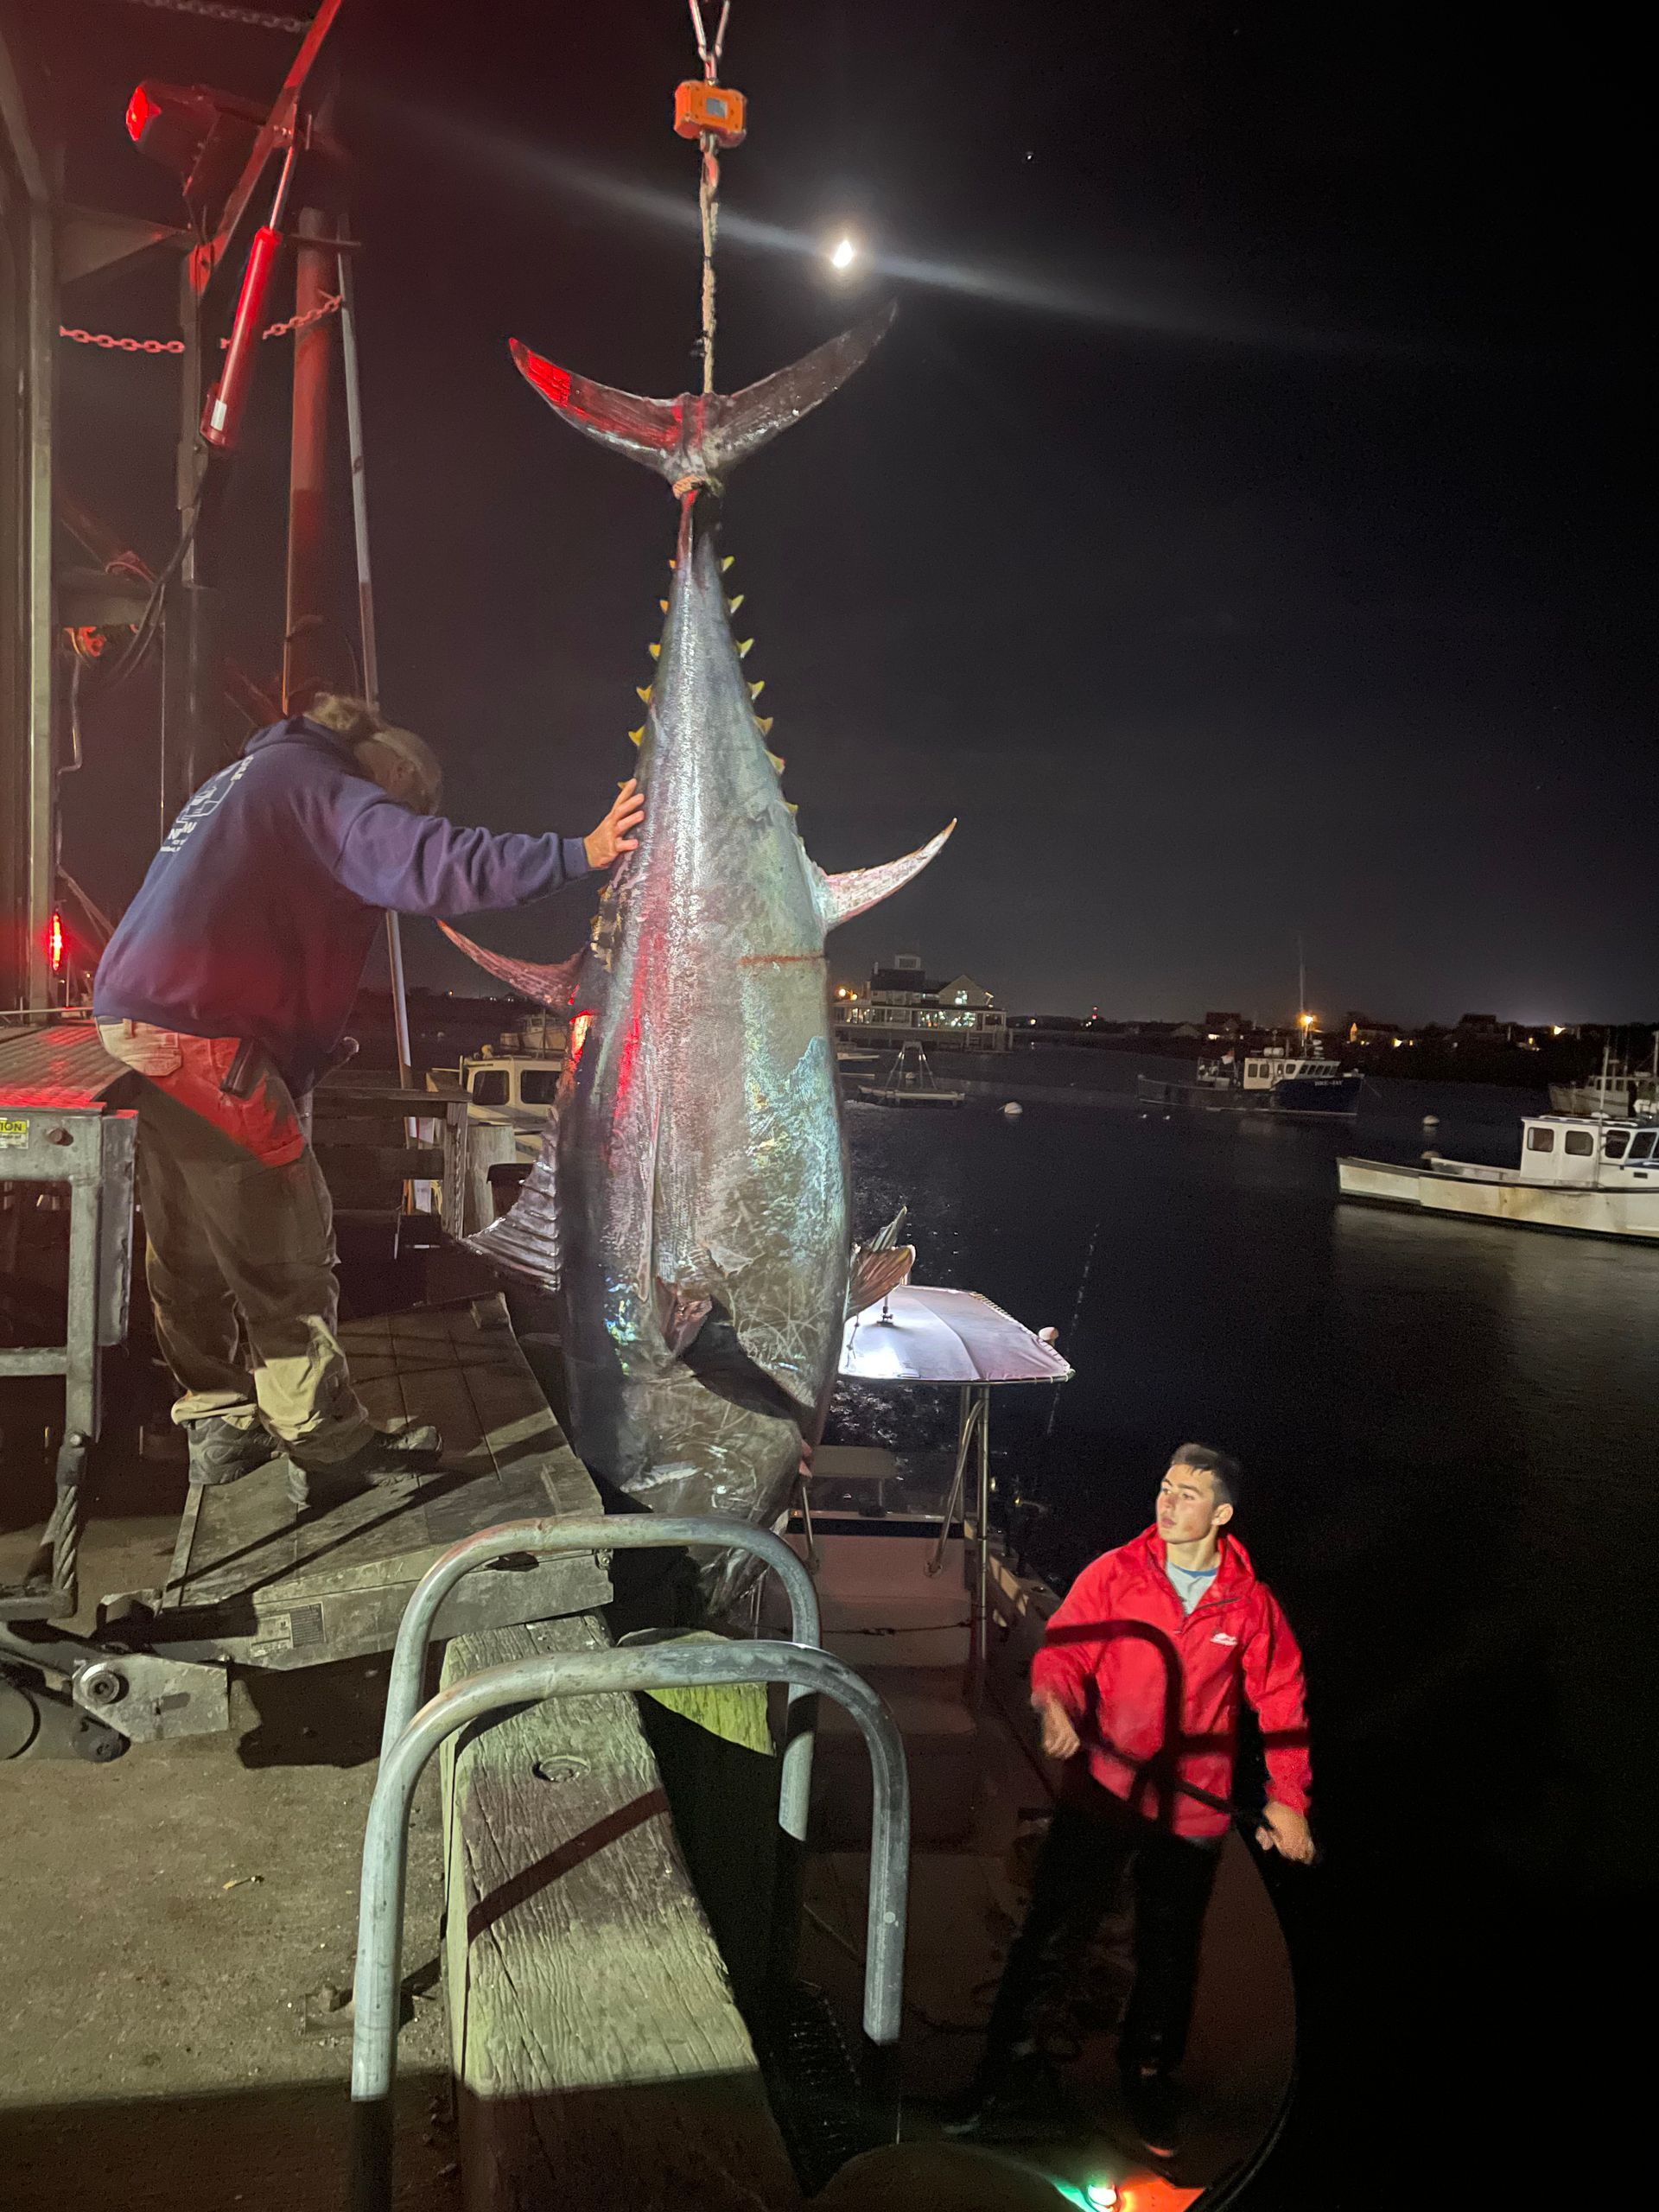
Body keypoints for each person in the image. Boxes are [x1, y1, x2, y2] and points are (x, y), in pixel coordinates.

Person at [93, 696, 644, 1493]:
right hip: (206, 1027)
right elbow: (432, 863)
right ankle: (324, 1442)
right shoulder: (327, 785)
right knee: (282, 1232)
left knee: (189, 1233)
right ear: (396, 773)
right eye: (405, 801)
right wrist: (579, 853)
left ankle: (215, 1416)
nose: (396, 813)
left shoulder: (247, 776)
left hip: (143, 1017)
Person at [954, 1444, 1314, 2158]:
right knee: (1051, 1934)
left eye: (1187, 1494)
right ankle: (1001, 2071)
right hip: (1104, 1793)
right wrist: (1054, 1704)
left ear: (1222, 1514)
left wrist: (1289, 1800)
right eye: (1165, 1487)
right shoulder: (1115, 1573)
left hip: (1194, 1810)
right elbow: (1065, 1652)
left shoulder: (1250, 1604)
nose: (1168, 1502)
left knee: (1169, 1951)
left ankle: (1146, 2077)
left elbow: (1282, 1702)